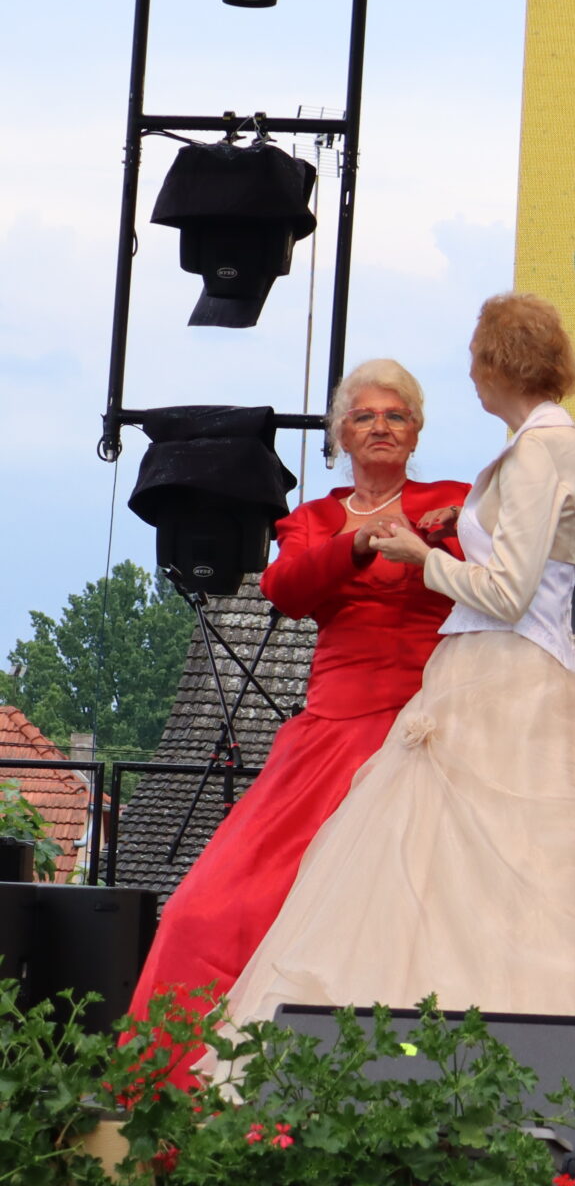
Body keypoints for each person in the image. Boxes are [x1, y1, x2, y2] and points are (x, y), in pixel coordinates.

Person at [223, 295, 575, 1166]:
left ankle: (474, 1084)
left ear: (497, 366)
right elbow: (522, 556)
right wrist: (459, 525)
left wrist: (422, 556)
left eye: (476, 360)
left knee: (486, 879)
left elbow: (507, 592)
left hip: (507, 682)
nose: (472, 375)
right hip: (501, 677)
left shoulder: (540, 450)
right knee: (480, 879)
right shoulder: (537, 446)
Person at [130, 362, 472, 1018]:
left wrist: (448, 535)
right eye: (364, 416)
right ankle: (191, 1055)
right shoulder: (315, 518)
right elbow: (285, 589)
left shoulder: (453, 499)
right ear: (341, 434)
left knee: (413, 915)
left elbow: (495, 573)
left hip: (430, 723)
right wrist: (358, 543)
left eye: (395, 415)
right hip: (333, 733)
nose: (380, 426)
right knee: (216, 904)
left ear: (416, 430)